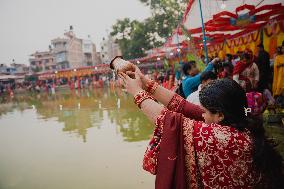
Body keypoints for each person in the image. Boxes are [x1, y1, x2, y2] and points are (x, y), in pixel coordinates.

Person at [119, 68, 283, 189]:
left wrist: (135, 91)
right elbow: (183, 106)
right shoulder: (240, 120)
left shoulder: (224, 138)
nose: (201, 115)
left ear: (219, 114)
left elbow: (168, 121)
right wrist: (146, 83)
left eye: (204, 111)